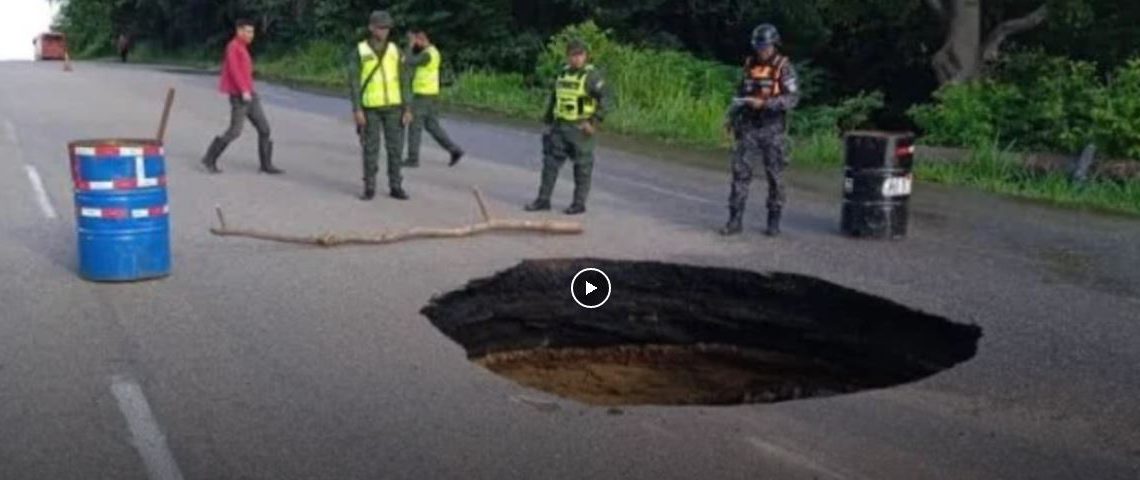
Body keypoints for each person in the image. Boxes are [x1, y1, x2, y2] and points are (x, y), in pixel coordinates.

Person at [720, 23, 799, 236]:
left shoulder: (783, 67)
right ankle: (734, 221)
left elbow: (792, 98)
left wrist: (765, 104)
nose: (761, 50)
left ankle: (773, 223)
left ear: (774, 44)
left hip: (772, 128)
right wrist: (731, 117)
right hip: (748, 126)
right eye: (758, 46)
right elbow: (740, 93)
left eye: (765, 46)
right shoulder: (749, 65)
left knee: (775, 176)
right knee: (740, 174)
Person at [523, 39, 609, 215]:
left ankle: (578, 204)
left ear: (585, 56)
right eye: (573, 55)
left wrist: (593, 121)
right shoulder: (562, 74)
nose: (577, 59)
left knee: (582, 167)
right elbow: (555, 99)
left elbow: (606, 100)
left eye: (580, 55)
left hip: (581, 128)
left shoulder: (592, 77)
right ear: (567, 56)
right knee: (550, 164)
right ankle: (543, 200)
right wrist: (547, 123)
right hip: (560, 126)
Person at [200, 19, 284, 175]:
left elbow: (244, 71)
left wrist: (250, 90)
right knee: (235, 131)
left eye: (252, 32)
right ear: (239, 31)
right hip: (240, 97)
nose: (251, 35)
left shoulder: (243, 48)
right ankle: (209, 158)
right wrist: (244, 90)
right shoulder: (233, 47)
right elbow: (234, 71)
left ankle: (266, 165)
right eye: (247, 31)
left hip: (251, 96)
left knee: (264, 129)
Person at [347, 11, 413, 201]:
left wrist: (408, 108)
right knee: (370, 149)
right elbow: (354, 82)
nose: (384, 31)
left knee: (395, 149)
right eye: (381, 27)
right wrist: (357, 109)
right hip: (370, 109)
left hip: (394, 107)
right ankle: (369, 186)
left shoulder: (395, 50)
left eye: (387, 28)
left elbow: (404, 80)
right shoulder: (360, 51)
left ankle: (396, 186)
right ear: (371, 28)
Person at [403, 28, 463, 168]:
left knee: (414, 126)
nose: (414, 44)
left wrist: (410, 46)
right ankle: (454, 150)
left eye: (415, 40)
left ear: (421, 38)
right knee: (432, 126)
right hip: (431, 95)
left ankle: (413, 159)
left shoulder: (427, 55)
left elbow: (408, 61)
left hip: (423, 95)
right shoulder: (433, 52)